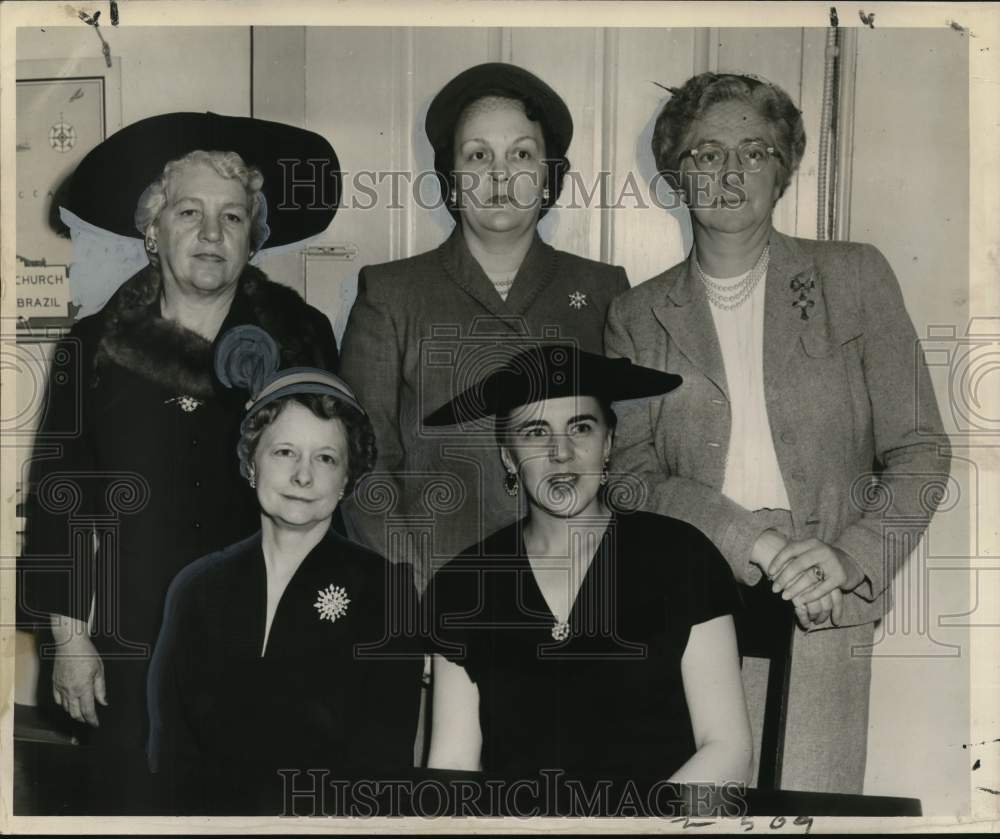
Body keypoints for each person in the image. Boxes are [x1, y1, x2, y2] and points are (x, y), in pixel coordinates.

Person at [604, 72, 950, 793]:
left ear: (783, 167)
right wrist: (751, 539)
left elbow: (920, 447)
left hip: (824, 606)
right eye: (705, 154)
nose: (730, 174)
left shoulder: (853, 277)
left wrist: (850, 557)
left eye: (754, 151)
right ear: (675, 172)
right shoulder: (637, 316)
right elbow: (629, 478)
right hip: (686, 604)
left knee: (807, 804)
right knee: (692, 807)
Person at [19, 112, 341, 785]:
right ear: (152, 228)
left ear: (255, 237)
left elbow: (335, 489)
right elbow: (62, 500)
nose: (210, 233)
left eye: (232, 216)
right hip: (134, 640)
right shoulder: (94, 346)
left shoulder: (300, 337)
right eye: (189, 211)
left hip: (268, 632)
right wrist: (71, 639)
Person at [339, 63, 630, 584]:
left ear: (547, 176)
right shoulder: (391, 294)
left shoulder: (605, 290)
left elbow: (629, 451)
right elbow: (362, 460)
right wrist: (416, 589)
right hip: (438, 586)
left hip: (580, 584)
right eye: (478, 155)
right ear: (451, 178)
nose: (500, 175)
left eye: (521, 154)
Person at [423, 345, 753, 785]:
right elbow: (453, 768)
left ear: (609, 443)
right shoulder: (463, 586)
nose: (561, 452)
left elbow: (728, 750)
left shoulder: (681, 558)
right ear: (507, 455)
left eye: (581, 427)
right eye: (536, 433)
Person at [147, 328, 423, 814]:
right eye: (284, 452)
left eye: (325, 458)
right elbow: (171, 753)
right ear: (252, 463)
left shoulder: (385, 591)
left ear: (347, 479)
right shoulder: (196, 588)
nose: (302, 475)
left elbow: (382, 768)